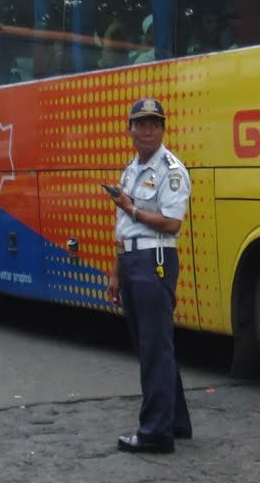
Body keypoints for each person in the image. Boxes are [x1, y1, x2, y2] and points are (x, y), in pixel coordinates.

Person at [105, 98, 193, 454]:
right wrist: (115, 273)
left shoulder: (172, 170)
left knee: (154, 347)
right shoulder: (131, 169)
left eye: (153, 124)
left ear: (163, 129)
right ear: (129, 129)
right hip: (131, 261)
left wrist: (132, 207)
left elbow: (172, 223)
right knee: (152, 346)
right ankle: (176, 422)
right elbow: (123, 227)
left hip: (155, 259)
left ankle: (156, 432)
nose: (146, 131)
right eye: (139, 124)